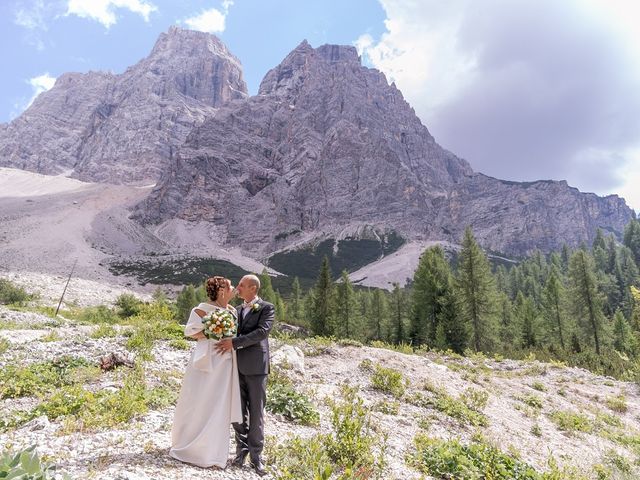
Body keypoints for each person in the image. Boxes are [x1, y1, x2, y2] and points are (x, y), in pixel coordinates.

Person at [169, 276, 242, 469]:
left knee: (219, 404)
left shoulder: (232, 311)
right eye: (230, 286)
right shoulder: (200, 309)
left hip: (225, 363)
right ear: (221, 291)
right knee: (199, 401)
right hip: (205, 360)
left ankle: (213, 453)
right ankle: (189, 447)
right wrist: (213, 331)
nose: (234, 288)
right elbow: (190, 332)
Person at [215, 274, 275, 477]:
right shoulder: (237, 310)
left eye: (241, 285)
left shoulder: (267, 308)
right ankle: (241, 452)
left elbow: (262, 333)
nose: (237, 288)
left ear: (253, 288)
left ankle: (257, 456)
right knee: (238, 411)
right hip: (235, 367)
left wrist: (234, 342)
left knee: (257, 412)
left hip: (257, 367)